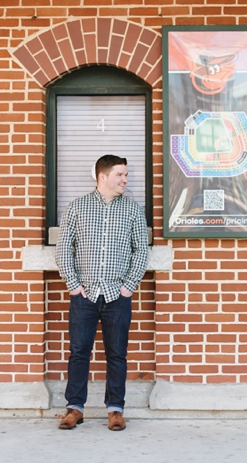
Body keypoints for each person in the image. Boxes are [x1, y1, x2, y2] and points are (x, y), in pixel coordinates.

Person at [55, 154, 149, 431]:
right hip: (84, 295)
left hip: (117, 295)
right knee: (79, 352)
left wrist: (128, 287)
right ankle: (74, 408)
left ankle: (116, 410)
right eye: (120, 175)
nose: (125, 180)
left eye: (126, 175)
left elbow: (141, 251)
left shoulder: (132, 210)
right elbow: (64, 250)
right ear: (102, 177)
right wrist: (73, 285)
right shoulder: (77, 208)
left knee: (117, 353)